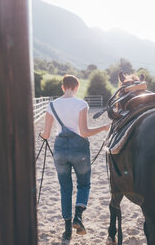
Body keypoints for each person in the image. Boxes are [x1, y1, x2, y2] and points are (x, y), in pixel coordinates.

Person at [40, 74, 110, 240]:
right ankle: (78, 217)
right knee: (84, 184)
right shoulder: (81, 104)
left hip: (59, 149)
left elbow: (46, 134)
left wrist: (41, 135)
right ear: (76, 87)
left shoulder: (51, 105)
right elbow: (85, 132)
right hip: (79, 149)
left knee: (65, 188)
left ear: (63, 87)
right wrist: (103, 128)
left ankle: (67, 230)